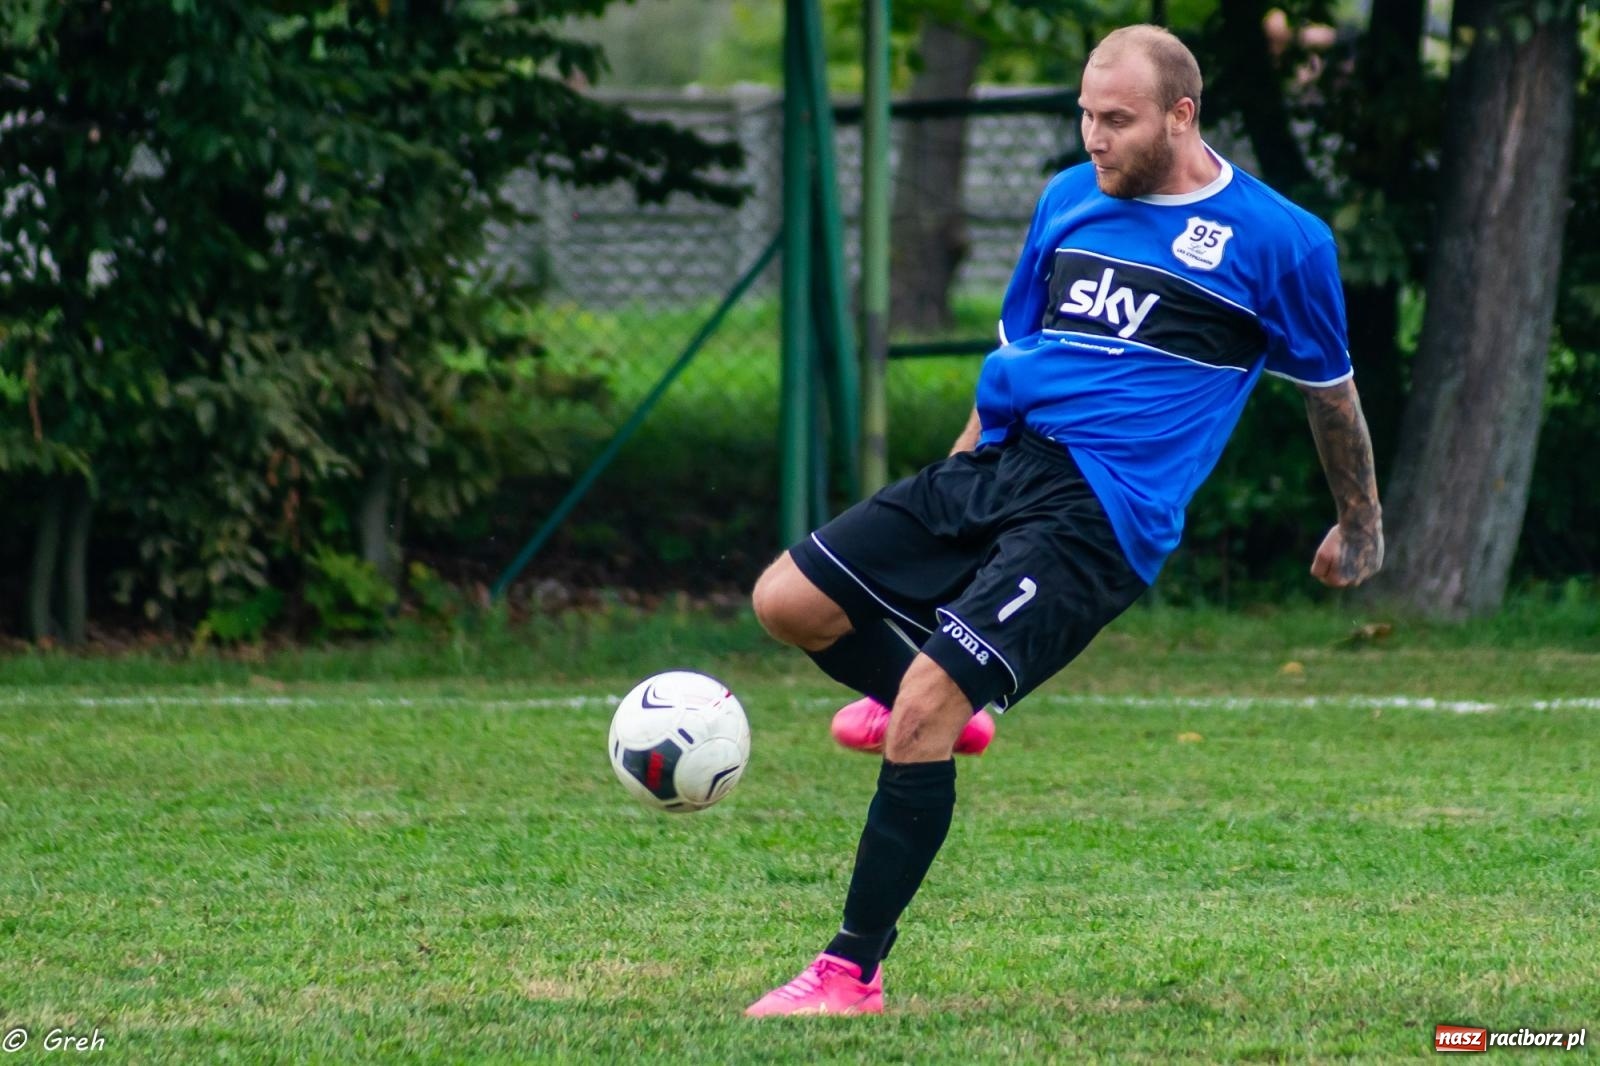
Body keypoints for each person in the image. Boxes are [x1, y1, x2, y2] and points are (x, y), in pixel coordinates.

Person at [744, 23, 1384, 1017]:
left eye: (1115, 120)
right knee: (786, 602)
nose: (1093, 136)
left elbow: (1330, 394)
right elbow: (1017, 351)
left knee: (920, 712)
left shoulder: (1279, 240)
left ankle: (847, 971)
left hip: (1099, 516)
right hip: (1003, 465)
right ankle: (948, 701)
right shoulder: (1066, 198)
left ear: (1182, 114)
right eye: (1084, 114)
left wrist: (1360, 523)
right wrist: (954, 492)